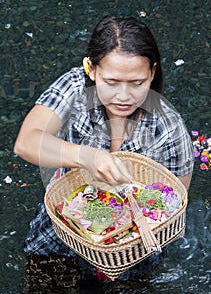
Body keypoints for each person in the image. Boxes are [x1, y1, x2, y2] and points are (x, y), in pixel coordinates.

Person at [14, 16, 194, 277]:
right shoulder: (75, 88)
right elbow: (26, 142)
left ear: (152, 73)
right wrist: (87, 156)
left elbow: (173, 207)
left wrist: (120, 238)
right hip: (63, 232)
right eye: (111, 82)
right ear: (92, 69)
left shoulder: (168, 129)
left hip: (131, 250)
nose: (123, 96)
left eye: (137, 83)